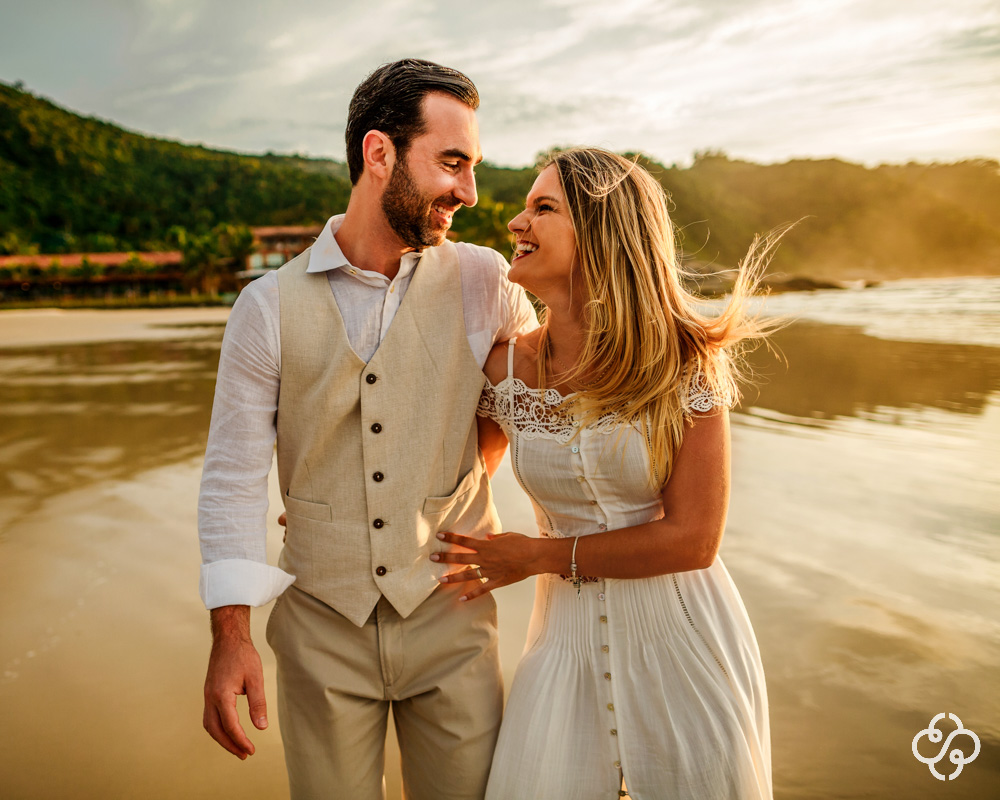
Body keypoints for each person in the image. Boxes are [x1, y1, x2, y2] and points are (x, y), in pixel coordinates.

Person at [196, 59, 537, 799]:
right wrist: (231, 636)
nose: (471, 194)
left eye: (471, 166)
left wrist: (441, 488)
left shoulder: (491, 284)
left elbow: (518, 410)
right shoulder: (264, 308)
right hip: (321, 628)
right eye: (452, 163)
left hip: (451, 616)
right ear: (379, 154)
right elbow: (231, 478)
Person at [432, 148, 776, 799]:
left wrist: (536, 556)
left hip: (684, 647)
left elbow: (694, 540)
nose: (515, 223)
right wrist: (339, 492)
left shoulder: (682, 362)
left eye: (543, 208)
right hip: (559, 652)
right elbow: (444, 468)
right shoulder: (504, 370)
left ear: (599, 232)